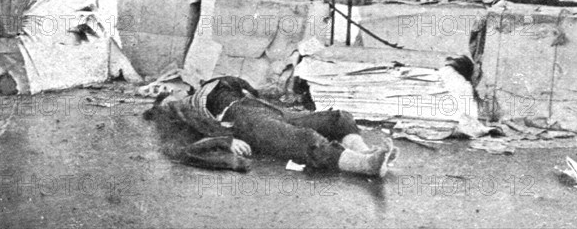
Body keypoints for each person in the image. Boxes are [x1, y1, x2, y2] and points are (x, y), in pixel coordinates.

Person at [147, 76, 394, 178]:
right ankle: (364, 166)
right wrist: (226, 139)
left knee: (338, 118)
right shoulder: (177, 106)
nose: (170, 88)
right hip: (240, 120)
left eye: (170, 88)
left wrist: (266, 92)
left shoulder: (217, 83)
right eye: (164, 92)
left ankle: (365, 152)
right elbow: (181, 143)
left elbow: (250, 90)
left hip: (266, 109)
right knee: (301, 138)